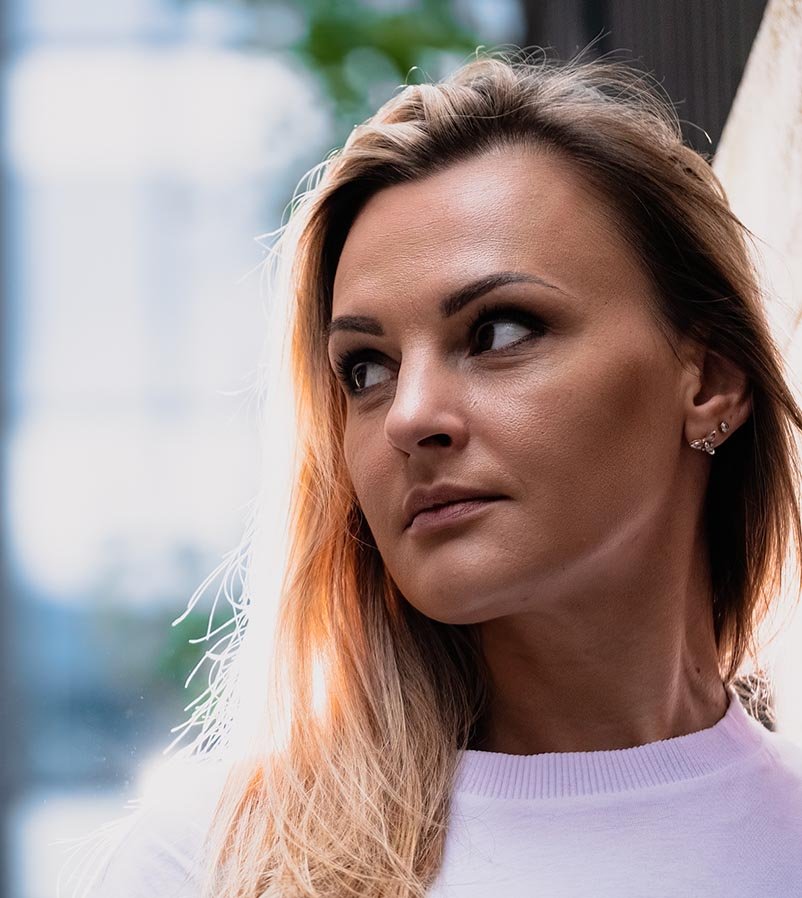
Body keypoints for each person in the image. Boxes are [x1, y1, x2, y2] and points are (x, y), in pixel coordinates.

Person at [81, 48, 802, 898]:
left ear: (711, 380)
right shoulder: (216, 864)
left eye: (500, 331)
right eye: (365, 369)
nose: (410, 416)